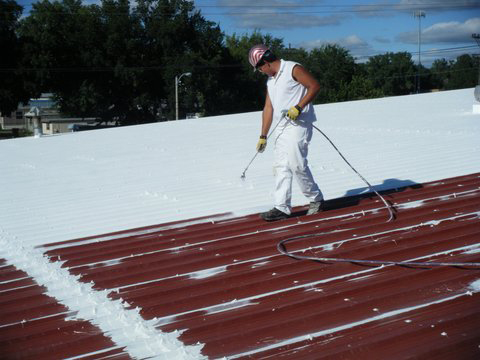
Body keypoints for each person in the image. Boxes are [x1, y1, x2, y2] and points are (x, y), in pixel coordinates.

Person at [248, 44, 325, 221]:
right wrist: (263, 135)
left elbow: (314, 86)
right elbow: (268, 108)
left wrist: (299, 107)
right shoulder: (271, 80)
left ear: (265, 61)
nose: (260, 71)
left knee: (296, 163)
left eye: (259, 67)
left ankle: (316, 200)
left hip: (299, 124)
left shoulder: (292, 68)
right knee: (281, 166)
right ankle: (281, 207)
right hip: (282, 127)